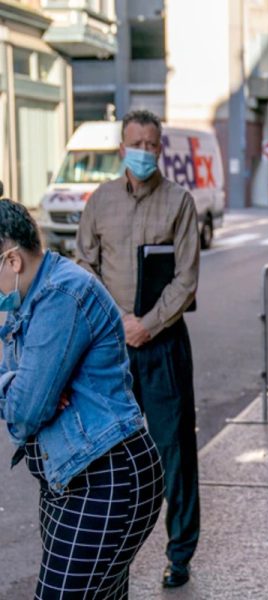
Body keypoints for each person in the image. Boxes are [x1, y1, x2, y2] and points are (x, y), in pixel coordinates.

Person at [0, 199, 164, 598]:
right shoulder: (31, 299)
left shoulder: (62, 295)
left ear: (12, 260)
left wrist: (26, 388)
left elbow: (23, 414)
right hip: (69, 479)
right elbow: (23, 395)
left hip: (105, 478)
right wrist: (24, 384)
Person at [75, 109, 201, 588]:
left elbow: (186, 279)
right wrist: (117, 322)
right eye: (136, 144)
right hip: (111, 350)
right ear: (121, 148)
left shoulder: (179, 202)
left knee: (175, 452)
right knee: (110, 455)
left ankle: (179, 554)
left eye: (151, 144)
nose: (143, 152)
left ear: (159, 149)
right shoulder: (100, 202)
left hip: (163, 346)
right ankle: (111, 552)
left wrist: (146, 325)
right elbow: (84, 265)